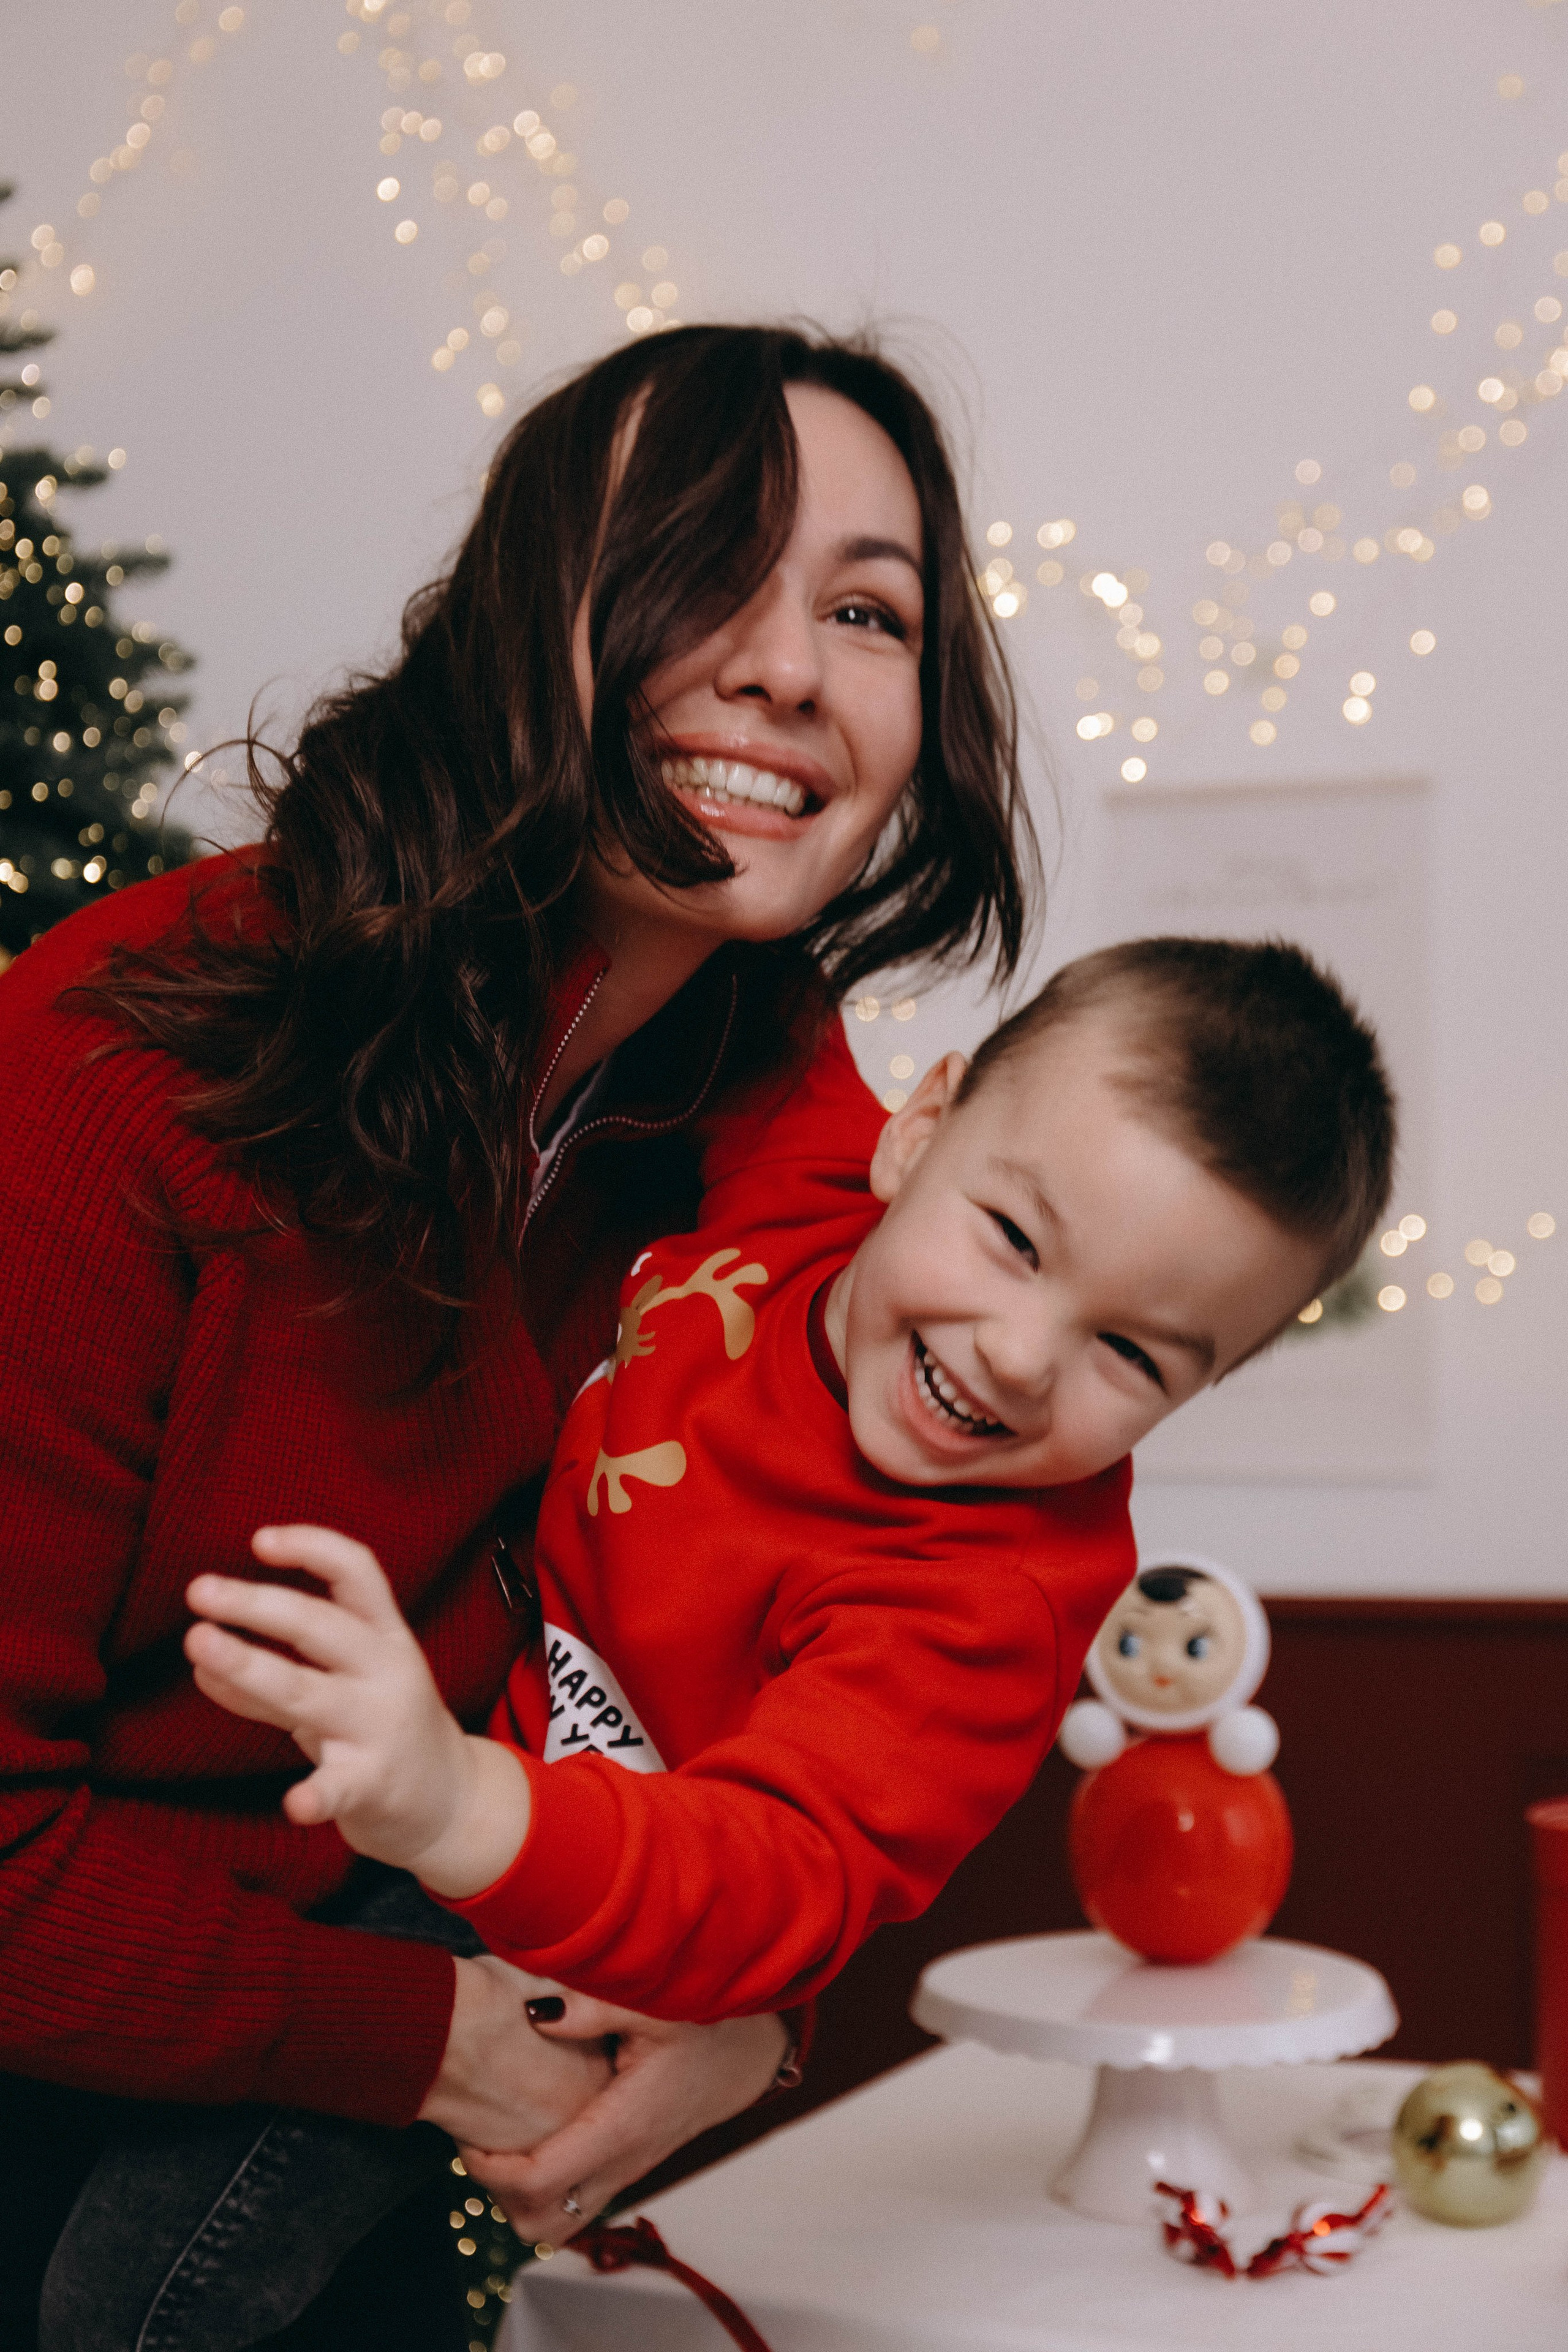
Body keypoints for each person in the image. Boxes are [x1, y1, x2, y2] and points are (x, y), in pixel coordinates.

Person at [0, 323, 1039, 2352]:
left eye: (866, 612)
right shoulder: (113, 1067)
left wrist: (752, 1998)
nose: (790, 669)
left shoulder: (777, 1125)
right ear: (517, 616)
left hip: (366, 2134)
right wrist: (434, 2039)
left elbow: (891, 1605)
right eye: (703, 568)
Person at [184, 935, 1395, 2229]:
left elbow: (780, 1873)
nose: (1020, 1356)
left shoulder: (992, 1603)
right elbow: (730, 958)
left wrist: (457, 1804)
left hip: (562, 1944)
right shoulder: (804, 1186)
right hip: (396, 1738)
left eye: (1132, 1355)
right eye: (1012, 1239)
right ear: (916, 1134)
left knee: (161, 2255)